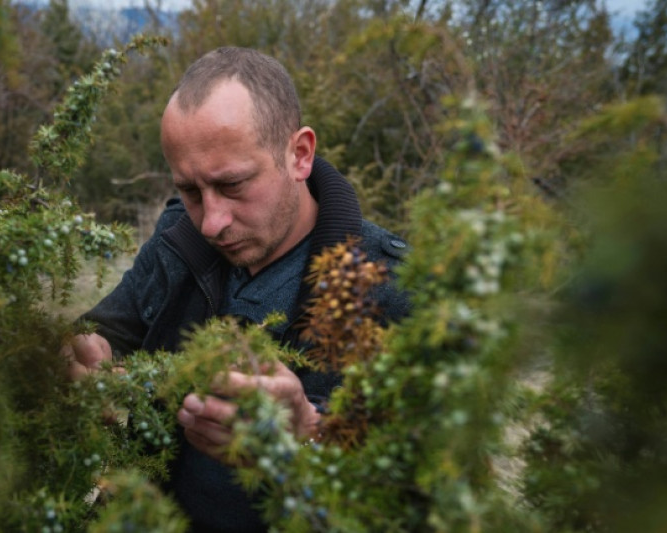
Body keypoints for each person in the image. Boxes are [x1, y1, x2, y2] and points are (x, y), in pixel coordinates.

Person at [64, 47, 410, 532]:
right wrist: (80, 351)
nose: (211, 222)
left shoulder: (391, 290)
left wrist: (309, 432)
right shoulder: (179, 239)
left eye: (232, 185)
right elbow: (108, 329)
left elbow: (415, 489)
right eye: (190, 191)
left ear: (299, 155)